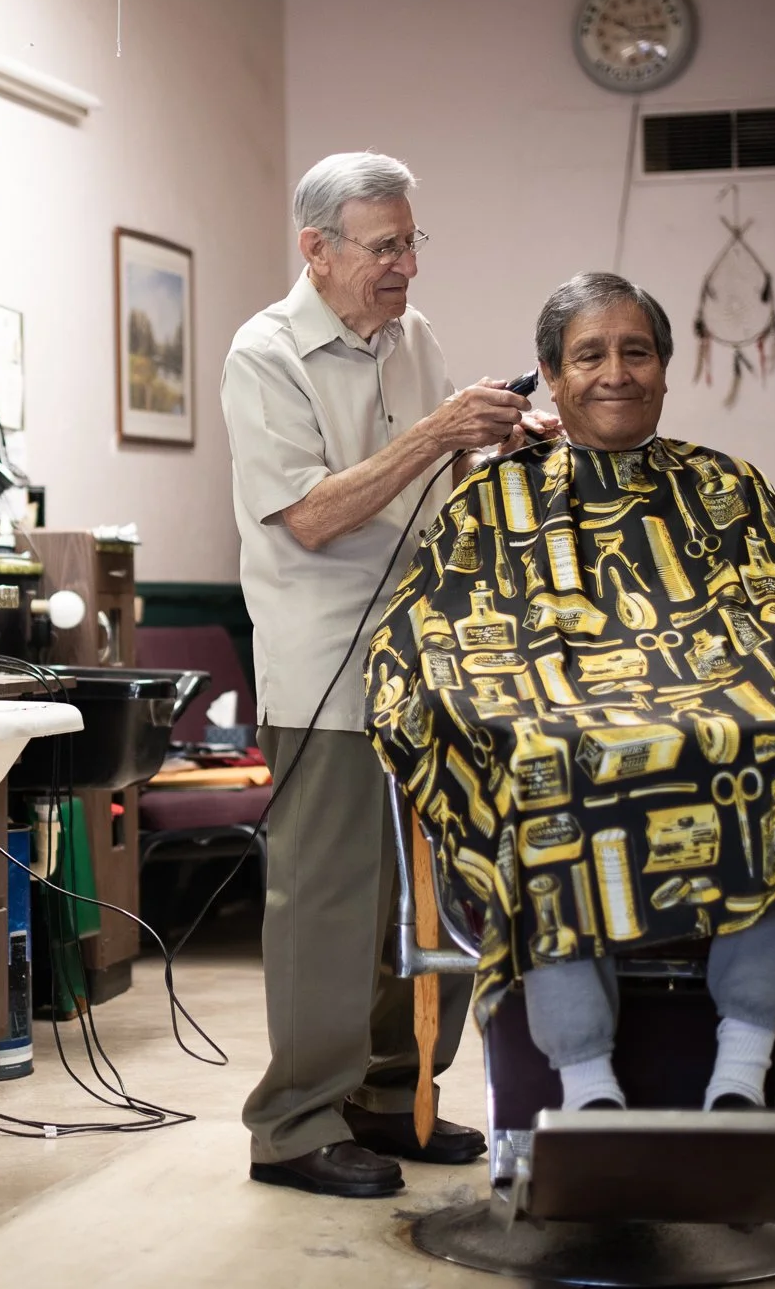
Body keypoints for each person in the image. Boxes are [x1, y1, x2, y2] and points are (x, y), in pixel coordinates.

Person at [369, 271, 775, 1110]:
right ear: (550, 374)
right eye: (590, 354)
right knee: (545, 767)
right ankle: (585, 1086)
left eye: (637, 351)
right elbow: (436, 649)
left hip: (720, 732)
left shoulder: (730, 488)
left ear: (665, 368)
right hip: (556, 738)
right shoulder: (495, 497)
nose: (616, 372)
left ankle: (739, 1064)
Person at [220, 151, 560, 1200]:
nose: (405, 265)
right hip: (323, 661)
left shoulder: (414, 341)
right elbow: (314, 515)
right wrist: (436, 431)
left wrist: (500, 442)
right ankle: (291, 1127)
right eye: (384, 246)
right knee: (328, 903)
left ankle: (391, 1096)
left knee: (425, 899)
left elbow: (443, 476)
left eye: (412, 241)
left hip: (433, 662)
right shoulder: (264, 353)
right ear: (315, 251)